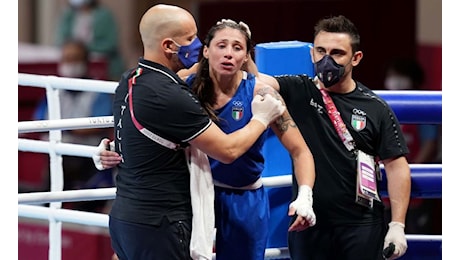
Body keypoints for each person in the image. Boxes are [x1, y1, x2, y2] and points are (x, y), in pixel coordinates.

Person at [100, 4, 285, 260]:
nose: (197, 45)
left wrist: (110, 149)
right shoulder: (171, 95)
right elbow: (228, 150)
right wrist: (262, 119)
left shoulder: (130, 79)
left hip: (126, 216)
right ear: (168, 46)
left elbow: (133, 133)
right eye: (190, 38)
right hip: (161, 223)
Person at [252, 15, 411, 260]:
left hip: (361, 226)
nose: (327, 59)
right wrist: (240, 44)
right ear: (311, 54)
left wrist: (397, 226)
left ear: (355, 58)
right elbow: (255, 80)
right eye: (320, 51)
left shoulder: (375, 107)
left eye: (337, 53)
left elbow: (396, 166)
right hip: (309, 221)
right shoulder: (301, 89)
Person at [185, 19, 316, 259]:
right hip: (194, 191)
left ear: (246, 56)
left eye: (237, 47)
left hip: (244, 197)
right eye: (221, 45)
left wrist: (305, 196)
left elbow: (300, 151)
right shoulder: (186, 88)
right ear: (206, 50)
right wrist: (113, 148)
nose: (228, 54)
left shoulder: (262, 94)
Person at [33, 39, 115, 213]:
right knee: (48, 198)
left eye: (75, 58)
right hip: (57, 156)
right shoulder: (53, 88)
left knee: (86, 206)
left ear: (85, 62)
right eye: (67, 59)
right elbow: (38, 121)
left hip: (87, 158)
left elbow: (102, 124)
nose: (70, 64)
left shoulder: (97, 90)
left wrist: (66, 128)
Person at [383, 57, 442, 235]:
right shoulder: (382, 104)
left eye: (399, 76)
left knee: (416, 231)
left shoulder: (424, 105)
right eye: (392, 75)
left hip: (416, 181)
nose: (394, 80)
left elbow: (430, 143)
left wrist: (409, 171)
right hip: (387, 181)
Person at [56, 0, 124, 80]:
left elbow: (111, 43)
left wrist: (85, 49)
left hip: (105, 66)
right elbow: (60, 39)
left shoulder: (104, 15)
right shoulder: (68, 14)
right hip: (76, 68)